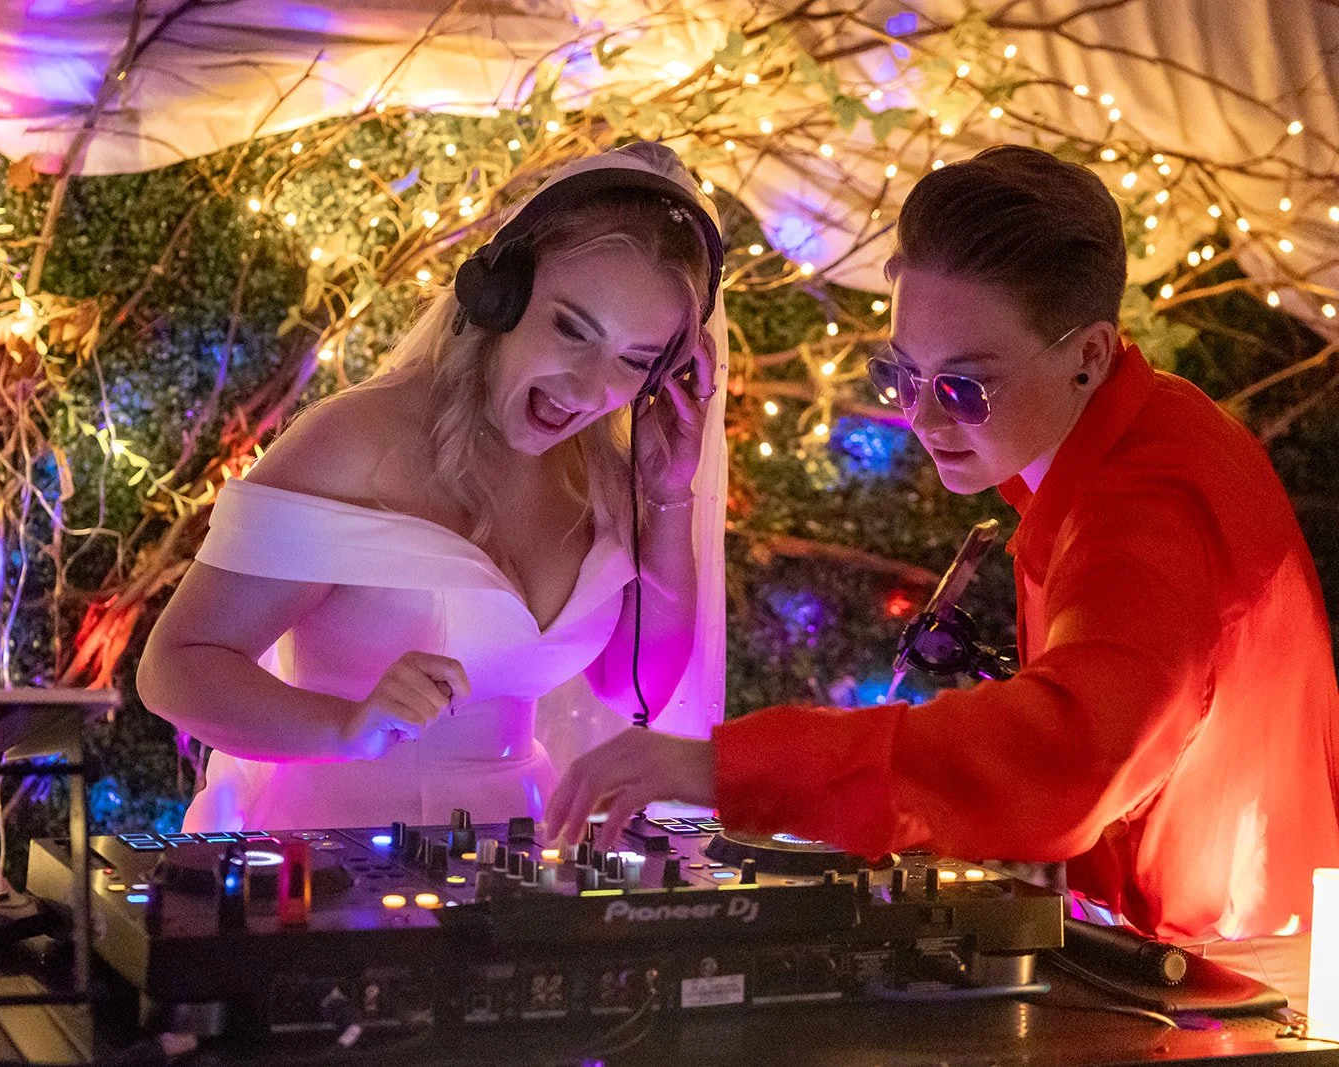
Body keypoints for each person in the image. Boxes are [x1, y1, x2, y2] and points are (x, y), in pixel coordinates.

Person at [544, 145, 1339, 1013]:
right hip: (1212, 959)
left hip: (1241, 984)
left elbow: (1061, 755)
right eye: (901, 373)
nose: (919, 415)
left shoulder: (1150, 503)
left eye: (965, 386)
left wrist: (720, 768)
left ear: (1090, 352)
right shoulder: (1135, 433)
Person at [136, 140, 731, 831]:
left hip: (520, 867)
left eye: (633, 360)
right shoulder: (352, 441)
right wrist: (345, 726)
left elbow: (638, 687)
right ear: (500, 293)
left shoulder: (609, 475)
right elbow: (174, 668)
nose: (592, 387)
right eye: (571, 328)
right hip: (328, 864)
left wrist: (666, 497)